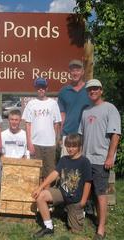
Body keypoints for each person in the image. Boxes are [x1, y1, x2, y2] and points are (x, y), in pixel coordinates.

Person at [78, 79, 121, 240]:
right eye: (90, 89)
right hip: (86, 158)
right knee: (90, 193)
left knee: (100, 193)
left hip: (101, 159)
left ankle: (101, 228)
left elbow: (115, 135)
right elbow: (82, 136)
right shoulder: (86, 111)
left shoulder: (110, 108)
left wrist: (110, 157)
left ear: (101, 90)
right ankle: (94, 217)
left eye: (96, 89)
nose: (93, 91)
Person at [32, 134, 92, 238]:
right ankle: (48, 227)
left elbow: (88, 182)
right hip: (62, 193)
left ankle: (75, 211)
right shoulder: (64, 159)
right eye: (68, 146)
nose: (70, 149)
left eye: (73, 146)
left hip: (76, 199)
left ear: (79, 146)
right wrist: (40, 187)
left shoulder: (84, 162)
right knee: (40, 196)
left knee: (75, 231)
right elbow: (54, 174)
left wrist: (83, 201)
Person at [22, 77, 61, 179]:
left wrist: (56, 141)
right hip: (35, 144)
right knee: (36, 173)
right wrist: (29, 143)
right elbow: (28, 124)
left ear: (46, 88)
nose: (41, 89)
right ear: (36, 88)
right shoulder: (31, 104)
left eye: (43, 87)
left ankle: (46, 194)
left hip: (49, 144)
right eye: (39, 87)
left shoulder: (53, 104)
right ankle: (37, 193)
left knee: (49, 173)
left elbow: (56, 124)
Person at [58, 59, 90, 156]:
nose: (75, 73)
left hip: (86, 136)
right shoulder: (64, 91)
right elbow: (62, 115)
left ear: (83, 72)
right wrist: (60, 136)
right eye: (73, 70)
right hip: (68, 135)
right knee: (66, 168)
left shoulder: (90, 90)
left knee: (83, 169)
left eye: (78, 70)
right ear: (69, 72)